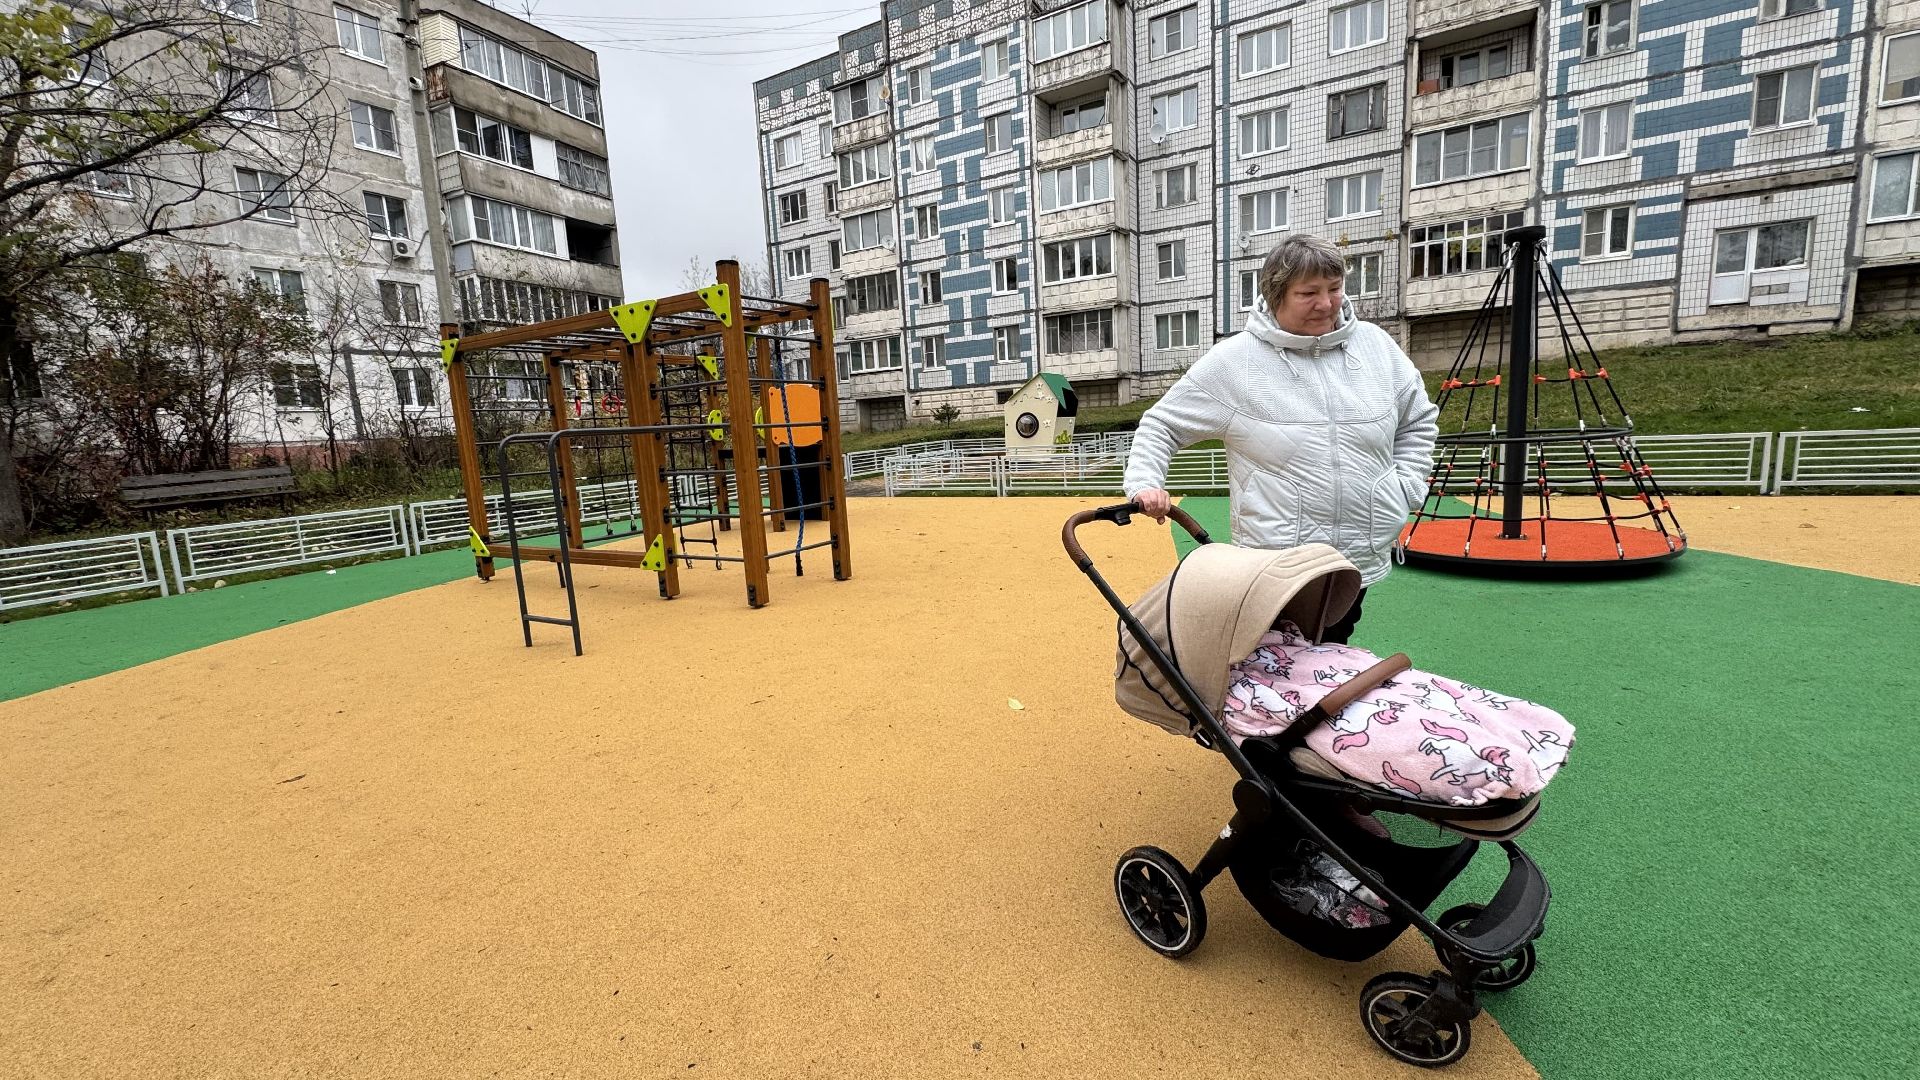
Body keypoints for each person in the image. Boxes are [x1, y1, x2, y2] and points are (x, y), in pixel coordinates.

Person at [1124, 232, 1438, 646]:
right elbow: (1162, 424)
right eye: (1308, 293)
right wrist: (1145, 482)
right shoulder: (1237, 362)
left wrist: (1405, 487)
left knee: (1334, 652)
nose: (1326, 304)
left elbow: (1417, 419)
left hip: (1358, 553)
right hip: (1279, 562)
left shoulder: (1376, 348)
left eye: (1334, 289)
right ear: (1276, 296)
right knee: (1278, 662)